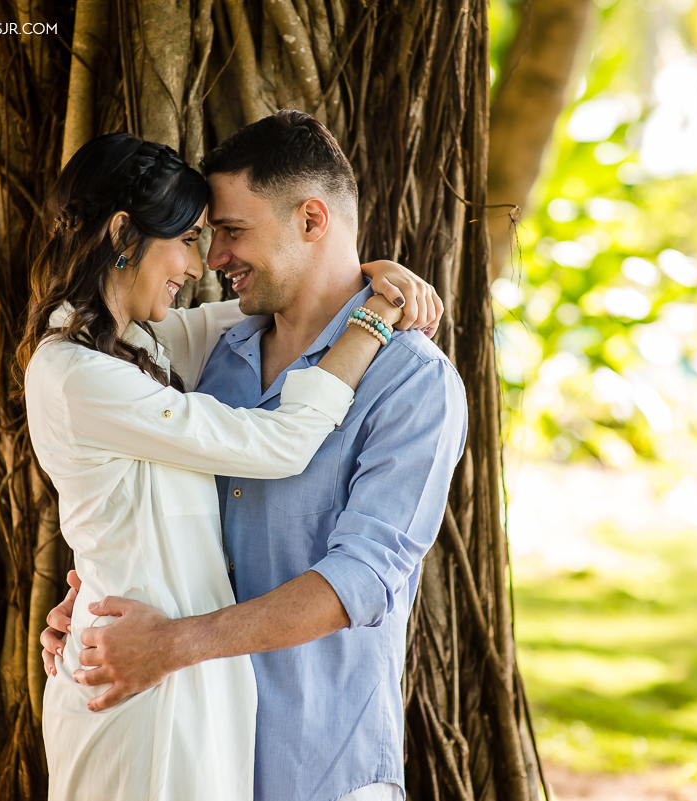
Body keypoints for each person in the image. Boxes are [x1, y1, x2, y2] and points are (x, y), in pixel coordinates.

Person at [40, 111, 468, 801]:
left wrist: (171, 642)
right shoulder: (208, 353)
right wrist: (97, 592)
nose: (212, 260)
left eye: (231, 232)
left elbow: (360, 582)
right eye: (204, 237)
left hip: (318, 764)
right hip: (192, 745)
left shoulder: (414, 383)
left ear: (311, 220)